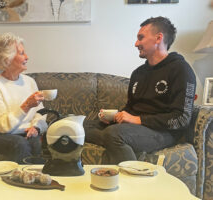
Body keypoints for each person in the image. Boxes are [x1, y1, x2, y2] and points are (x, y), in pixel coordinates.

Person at [84, 16, 196, 164]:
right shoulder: (138, 73)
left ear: (158, 38)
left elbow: (182, 118)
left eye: (141, 38)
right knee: (79, 126)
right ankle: (119, 143)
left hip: (162, 132)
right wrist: (116, 116)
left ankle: (135, 181)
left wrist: (138, 120)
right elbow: (131, 108)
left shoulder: (181, 69)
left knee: (114, 134)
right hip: (133, 128)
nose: (136, 43)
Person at [0, 32, 48, 164]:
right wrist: (26, 106)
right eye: (21, 53)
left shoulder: (30, 82)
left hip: (26, 132)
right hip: (0, 135)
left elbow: (41, 113)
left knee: (36, 142)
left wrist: (36, 127)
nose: (27, 57)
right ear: (8, 59)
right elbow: (3, 127)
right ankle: (22, 181)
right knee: (20, 144)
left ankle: (39, 181)